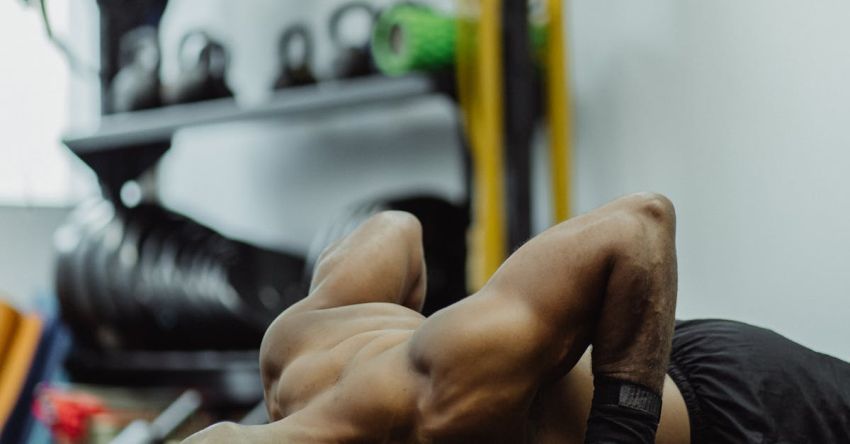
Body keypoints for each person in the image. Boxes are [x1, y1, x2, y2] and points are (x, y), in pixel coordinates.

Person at [184, 192, 850, 443]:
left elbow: (641, 225)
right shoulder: (289, 356)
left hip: (743, 412)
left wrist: (618, 434)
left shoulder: (441, 397)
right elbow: (392, 231)